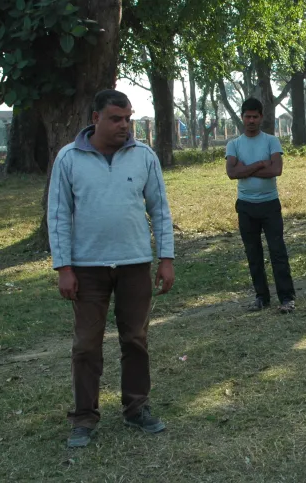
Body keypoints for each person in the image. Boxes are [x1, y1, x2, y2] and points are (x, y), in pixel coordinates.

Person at [47, 89, 175, 448]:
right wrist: (64, 268)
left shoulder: (143, 156)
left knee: (135, 339)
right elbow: (57, 215)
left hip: (135, 263)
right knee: (86, 345)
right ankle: (84, 419)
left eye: (128, 118)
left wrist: (166, 259)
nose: (124, 125)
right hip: (86, 268)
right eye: (116, 119)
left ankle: (137, 408)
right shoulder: (69, 158)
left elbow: (160, 210)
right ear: (95, 119)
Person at [225, 98, 296, 313]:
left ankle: (287, 298)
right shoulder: (234, 144)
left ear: (262, 118)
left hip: (270, 205)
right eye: (248, 116)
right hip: (246, 207)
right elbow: (231, 173)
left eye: (255, 116)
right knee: (253, 254)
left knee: (278, 252)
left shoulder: (272, 141)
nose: (251, 120)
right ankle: (261, 297)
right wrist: (259, 164)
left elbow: (276, 170)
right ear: (242, 117)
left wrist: (245, 169)